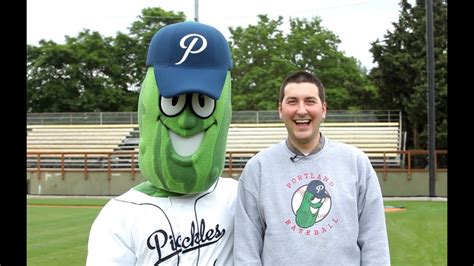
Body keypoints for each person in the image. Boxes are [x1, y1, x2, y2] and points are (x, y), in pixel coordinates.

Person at [87, 21, 237, 265]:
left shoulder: (238, 198)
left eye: (202, 102)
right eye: (174, 101)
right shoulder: (121, 214)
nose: (187, 122)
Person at [234, 70, 390, 265]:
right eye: (292, 102)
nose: (301, 110)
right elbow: (246, 250)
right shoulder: (258, 168)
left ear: (323, 109)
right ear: (280, 110)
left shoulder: (356, 163)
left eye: (310, 101)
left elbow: (375, 242)